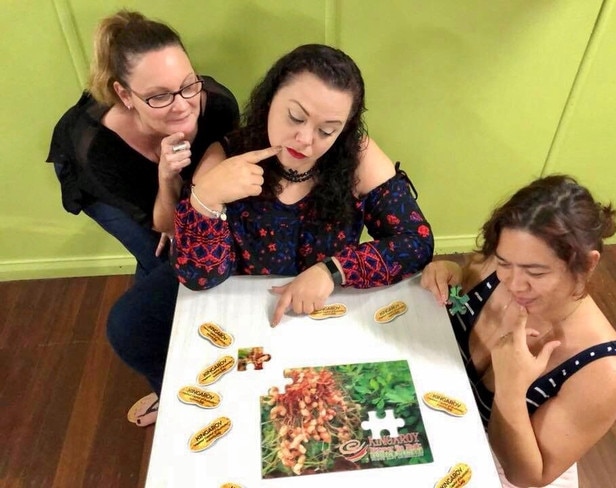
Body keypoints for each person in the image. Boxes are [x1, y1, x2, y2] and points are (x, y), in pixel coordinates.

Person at [107, 43, 434, 426]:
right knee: (130, 328)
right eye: (294, 117)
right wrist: (207, 199)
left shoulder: (354, 153)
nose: (306, 141)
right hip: (242, 297)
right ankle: (172, 394)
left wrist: (333, 270)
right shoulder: (226, 154)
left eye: (328, 130)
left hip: (319, 301)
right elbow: (201, 276)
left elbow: (416, 241)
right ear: (270, 99)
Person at [420, 175, 616, 488]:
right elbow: (464, 278)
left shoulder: (603, 369)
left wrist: (510, 388)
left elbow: (525, 476)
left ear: (587, 265)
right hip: (441, 421)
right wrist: (447, 270)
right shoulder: (498, 265)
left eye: (536, 272)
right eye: (505, 263)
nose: (514, 284)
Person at [46, 9, 239, 281]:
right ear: (125, 95)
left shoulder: (218, 107)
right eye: (159, 96)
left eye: (187, 85)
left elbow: (214, 186)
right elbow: (165, 224)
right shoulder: (99, 150)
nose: (183, 107)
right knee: (159, 256)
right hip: (99, 177)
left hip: (163, 171)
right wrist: (167, 178)